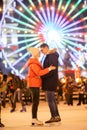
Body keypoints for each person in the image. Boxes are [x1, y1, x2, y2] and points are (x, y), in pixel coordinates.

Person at [27, 47, 56, 125]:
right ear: (35, 54)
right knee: (35, 102)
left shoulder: (34, 62)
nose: (40, 53)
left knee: (35, 102)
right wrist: (49, 69)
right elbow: (39, 72)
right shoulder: (33, 63)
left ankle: (34, 118)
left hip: (35, 83)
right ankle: (34, 118)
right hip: (34, 84)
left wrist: (50, 51)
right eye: (39, 52)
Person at [40, 43, 61, 123]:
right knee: (52, 100)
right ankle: (56, 116)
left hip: (50, 80)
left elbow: (52, 70)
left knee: (50, 100)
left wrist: (42, 76)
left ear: (46, 48)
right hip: (51, 80)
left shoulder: (51, 56)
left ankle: (54, 116)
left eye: (42, 50)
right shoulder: (51, 55)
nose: (41, 52)